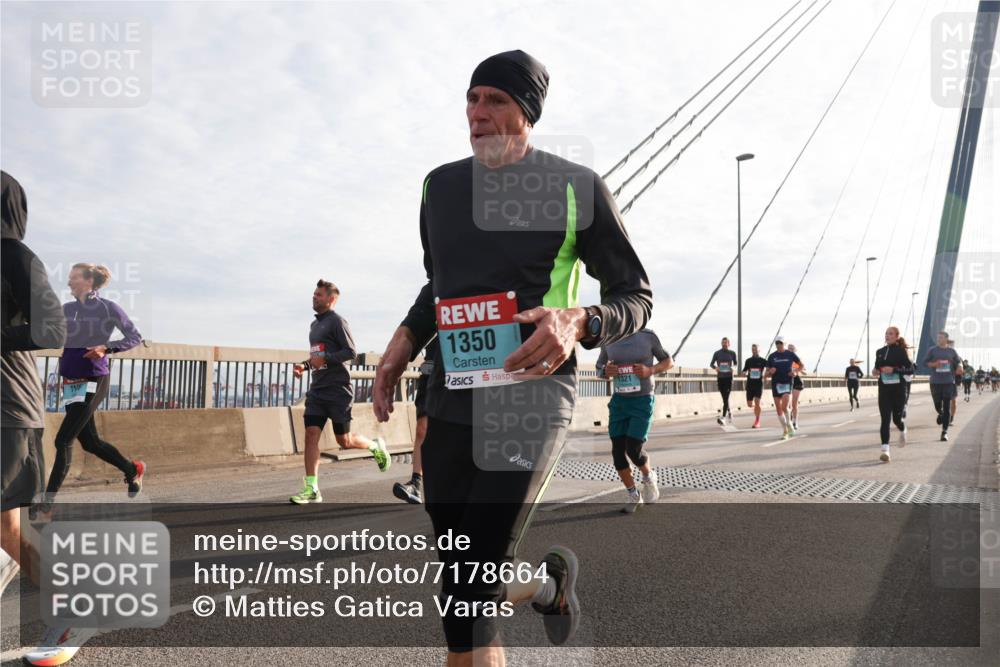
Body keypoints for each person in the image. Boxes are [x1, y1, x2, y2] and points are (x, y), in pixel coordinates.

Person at [371, 49, 652, 663]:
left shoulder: (577, 187)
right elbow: (437, 286)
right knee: (461, 587)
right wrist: (401, 345)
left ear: (527, 112)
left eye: (495, 100)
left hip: (531, 396)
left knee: (472, 576)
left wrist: (580, 320)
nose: (478, 113)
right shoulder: (439, 186)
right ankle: (546, 586)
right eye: (471, 99)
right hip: (448, 394)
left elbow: (635, 295)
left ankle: (536, 585)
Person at [2, 171, 67, 588]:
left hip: (8, 407)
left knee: (8, 527)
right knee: (7, 527)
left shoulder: (15, 256)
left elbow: (53, 329)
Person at [41, 264, 146, 512]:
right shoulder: (66, 309)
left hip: (94, 378)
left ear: (89, 281)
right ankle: (133, 469)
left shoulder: (107, 308)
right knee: (90, 442)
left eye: (73, 278)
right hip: (71, 382)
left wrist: (105, 348)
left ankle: (46, 503)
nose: (69, 283)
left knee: (63, 439)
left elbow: (134, 336)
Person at [290, 280, 389, 504]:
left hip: (338, 390)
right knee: (310, 436)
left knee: (344, 441)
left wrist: (325, 359)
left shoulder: (337, 321)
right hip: (317, 390)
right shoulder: (314, 327)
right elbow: (318, 357)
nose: (314, 298)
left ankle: (375, 446)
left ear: (331, 299)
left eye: (318, 295)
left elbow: (351, 352)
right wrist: (303, 366)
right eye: (313, 294)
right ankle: (312, 488)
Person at [596, 329, 672, 513]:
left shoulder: (648, 336)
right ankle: (633, 495)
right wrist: (606, 371)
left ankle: (648, 476)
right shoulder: (609, 337)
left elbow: (669, 361)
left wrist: (650, 370)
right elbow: (599, 368)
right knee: (617, 453)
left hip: (642, 400)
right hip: (619, 402)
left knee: (633, 449)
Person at [392, 340, 437, 504]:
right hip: (430, 373)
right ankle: (416, 484)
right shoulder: (430, 315)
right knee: (421, 429)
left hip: (462, 370)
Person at [873, 326, 912, 462]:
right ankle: (885, 450)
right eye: (886, 333)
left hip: (898, 390)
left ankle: (903, 428)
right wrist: (876, 371)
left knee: (896, 419)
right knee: (885, 420)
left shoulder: (901, 352)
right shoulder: (880, 352)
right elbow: (877, 367)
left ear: (896, 336)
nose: (887, 336)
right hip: (884, 389)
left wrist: (894, 370)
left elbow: (910, 369)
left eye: (890, 334)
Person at [923, 331, 962, 442]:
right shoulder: (932, 350)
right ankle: (940, 413)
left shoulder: (952, 351)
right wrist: (934, 364)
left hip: (948, 382)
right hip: (935, 382)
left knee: (946, 406)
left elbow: (958, 362)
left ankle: (944, 432)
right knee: (937, 405)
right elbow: (924, 363)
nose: (938, 339)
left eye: (941, 337)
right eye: (938, 337)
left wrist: (960, 367)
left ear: (946, 339)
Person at [766, 337, 801, 440]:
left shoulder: (790, 354)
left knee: (784, 407)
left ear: (784, 344)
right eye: (777, 343)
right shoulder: (772, 356)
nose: (778, 345)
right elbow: (765, 374)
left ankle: (789, 423)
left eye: (780, 343)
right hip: (776, 384)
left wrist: (795, 372)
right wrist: (769, 372)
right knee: (778, 409)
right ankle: (785, 430)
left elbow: (801, 365)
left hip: (787, 383)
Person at [709, 337, 737, 426]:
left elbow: (736, 363)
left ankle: (723, 417)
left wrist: (733, 367)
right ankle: (729, 411)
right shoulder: (717, 353)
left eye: (726, 343)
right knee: (724, 397)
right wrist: (715, 368)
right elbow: (711, 364)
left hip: (729, 378)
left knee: (726, 397)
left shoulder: (732, 353)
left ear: (729, 344)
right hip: (720, 378)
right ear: (721, 344)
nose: (724, 344)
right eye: (723, 343)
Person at [741, 343, 767, 428]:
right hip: (750, 384)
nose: (754, 351)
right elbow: (744, 370)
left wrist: (765, 374)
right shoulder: (748, 361)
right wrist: (743, 373)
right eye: (753, 349)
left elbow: (769, 369)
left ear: (759, 350)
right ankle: (757, 406)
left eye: (755, 349)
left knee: (757, 402)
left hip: (759, 384)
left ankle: (757, 421)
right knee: (749, 404)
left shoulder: (763, 361)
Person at [787, 343, 806, 430]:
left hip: (796, 382)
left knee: (794, 404)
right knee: (788, 404)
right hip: (787, 381)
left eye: (792, 348)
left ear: (795, 350)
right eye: (789, 348)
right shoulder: (785, 359)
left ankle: (795, 421)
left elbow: (805, 371)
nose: (790, 349)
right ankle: (789, 421)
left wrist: (798, 371)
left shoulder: (798, 360)